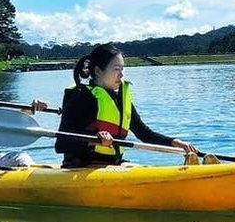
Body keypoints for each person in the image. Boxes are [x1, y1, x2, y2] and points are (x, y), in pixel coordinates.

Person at [55, 44, 198, 168]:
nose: (121, 75)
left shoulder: (120, 100)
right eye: (116, 69)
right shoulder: (82, 98)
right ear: (98, 71)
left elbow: (144, 134)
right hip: (82, 167)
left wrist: (174, 142)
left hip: (114, 164)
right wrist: (94, 138)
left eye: (122, 69)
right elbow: (62, 144)